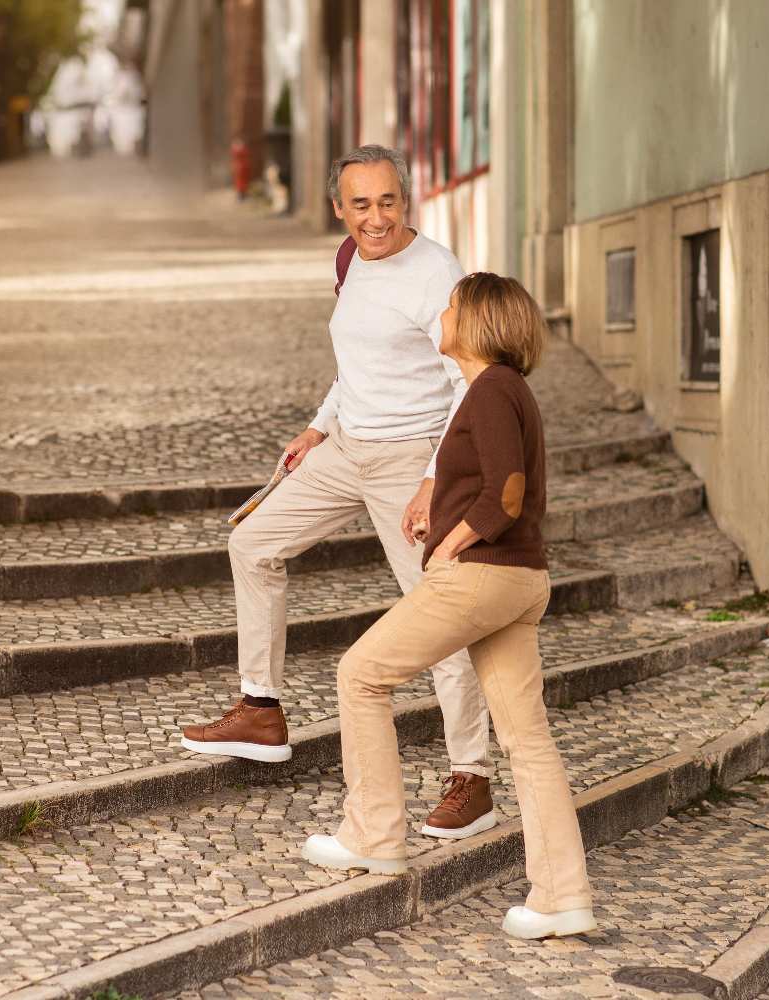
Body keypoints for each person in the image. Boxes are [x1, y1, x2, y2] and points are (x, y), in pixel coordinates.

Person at [181, 145, 498, 841]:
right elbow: (353, 364)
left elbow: (464, 386)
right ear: (339, 209)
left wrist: (431, 480)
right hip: (347, 447)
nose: (376, 217)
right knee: (253, 541)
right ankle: (261, 710)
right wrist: (317, 427)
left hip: (412, 457)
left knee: (436, 608)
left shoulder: (438, 273)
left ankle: (472, 777)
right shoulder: (349, 260)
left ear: (405, 200)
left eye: (388, 201)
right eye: (361, 205)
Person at [302, 272, 596, 941]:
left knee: (360, 674)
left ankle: (374, 833)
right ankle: (563, 895)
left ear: (480, 322)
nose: (442, 312)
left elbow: (505, 496)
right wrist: (436, 517)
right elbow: (496, 489)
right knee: (527, 741)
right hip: (520, 579)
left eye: (453, 306)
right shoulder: (502, 390)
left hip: (482, 575)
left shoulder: (491, 388)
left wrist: (447, 547)